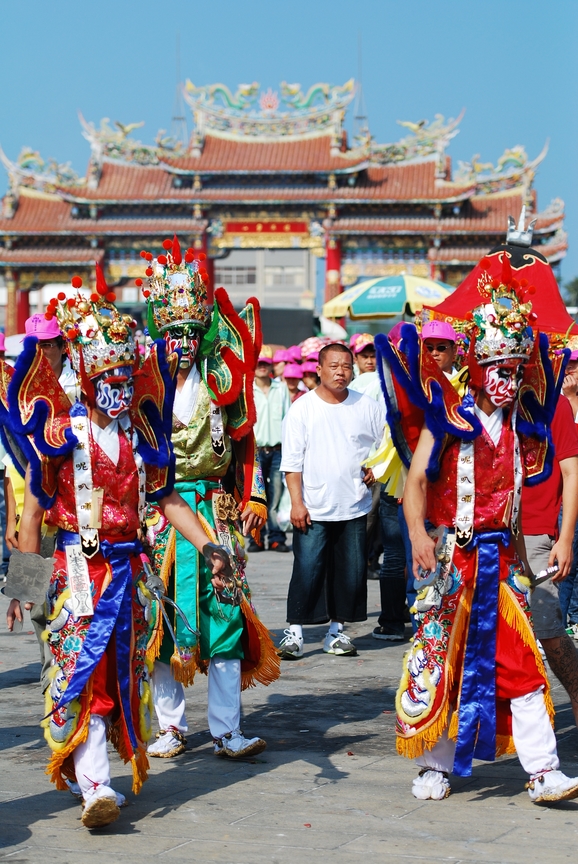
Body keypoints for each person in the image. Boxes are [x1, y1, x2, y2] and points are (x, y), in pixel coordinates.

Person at [4, 267, 233, 829]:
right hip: (76, 574)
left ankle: (100, 775)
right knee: (84, 677)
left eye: (126, 376)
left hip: (128, 575)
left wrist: (210, 549)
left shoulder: (140, 439)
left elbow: (169, 501)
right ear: (85, 375)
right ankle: (94, 784)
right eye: (108, 375)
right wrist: (26, 589)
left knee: (119, 675)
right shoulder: (61, 437)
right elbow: (33, 513)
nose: (119, 387)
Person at [380, 258, 578, 804]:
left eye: (516, 369)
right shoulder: (449, 415)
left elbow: (523, 500)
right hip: (455, 562)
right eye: (501, 368)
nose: (509, 380)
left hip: (505, 566)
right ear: (479, 364)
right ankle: (436, 767)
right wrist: (419, 536)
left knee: (522, 661)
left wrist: (546, 549)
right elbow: (417, 479)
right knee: (447, 661)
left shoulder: (525, 427)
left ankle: (543, 772)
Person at [142, 237, 279, 762]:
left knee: (225, 616)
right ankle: (171, 727)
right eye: (173, 333)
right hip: (161, 517)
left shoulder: (226, 383)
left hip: (217, 512)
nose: (181, 343)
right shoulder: (144, 391)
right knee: (162, 619)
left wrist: (256, 496)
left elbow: (246, 446)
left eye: (190, 334)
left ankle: (226, 730)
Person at [278, 343, 384, 658]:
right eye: (334, 366)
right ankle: (295, 633)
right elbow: (292, 463)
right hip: (313, 506)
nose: (340, 372)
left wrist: (375, 470)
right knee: (308, 569)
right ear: (320, 370)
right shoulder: (302, 408)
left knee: (350, 572)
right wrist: (297, 502)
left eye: (346, 366)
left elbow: (383, 447)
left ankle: (336, 632)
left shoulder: (366, 406)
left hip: (353, 505)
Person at [522, 394, 578, 727]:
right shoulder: (475, 398)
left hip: (535, 532)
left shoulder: (553, 402)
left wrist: (566, 538)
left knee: (549, 630)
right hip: (486, 534)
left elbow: (571, 472)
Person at [252, 346, 291, 553]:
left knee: (275, 495)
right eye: (259, 363)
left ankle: (276, 536)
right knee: (257, 495)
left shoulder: (281, 388)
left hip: (277, 449)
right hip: (255, 449)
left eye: (266, 363)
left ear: (271, 367)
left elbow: (288, 417)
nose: (262, 367)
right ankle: (257, 536)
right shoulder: (247, 388)